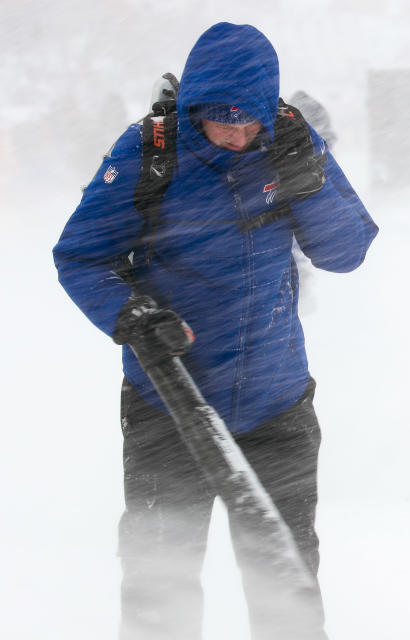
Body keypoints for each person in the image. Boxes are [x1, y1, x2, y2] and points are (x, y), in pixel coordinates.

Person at [52, 22, 377, 640]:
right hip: (167, 402)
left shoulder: (290, 141)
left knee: (287, 589)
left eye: (248, 119)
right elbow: (80, 256)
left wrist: (304, 180)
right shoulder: (149, 152)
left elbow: (345, 252)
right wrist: (132, 317)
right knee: (159, 587)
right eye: (219, 118)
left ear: (269, 109)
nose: (235, 132)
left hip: (275, 405)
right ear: (194, 104)